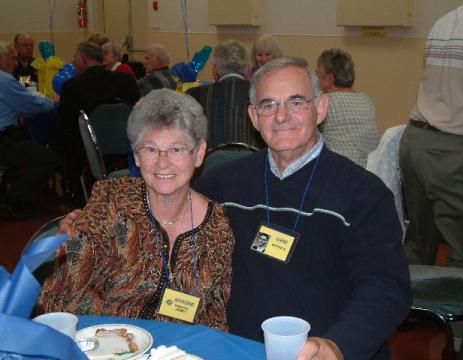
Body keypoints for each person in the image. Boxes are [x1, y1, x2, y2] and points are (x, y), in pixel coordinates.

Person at [59, 57, 412, 359]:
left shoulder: (362, 193)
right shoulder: (226, 182)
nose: (282, 116)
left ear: (321, 109)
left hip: (313, 350)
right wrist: (91, 221)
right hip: (231, 346)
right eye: (269, 105)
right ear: (253, 117)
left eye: (297, 102)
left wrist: (338, 345)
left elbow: (385, 287)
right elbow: (165, 193)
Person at [37, 89, 234, 331]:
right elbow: (60, 294)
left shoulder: (218, 226)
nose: (163, 162)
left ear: (199, 153)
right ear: (136, 156)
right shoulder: (111, 202)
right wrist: (122, 338)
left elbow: (215, 317)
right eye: (150, 149)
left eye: (176, 149)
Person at [399, 1, 463, 269]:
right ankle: (461, 312)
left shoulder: (445, 20)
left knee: (419, 245)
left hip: (415, 140)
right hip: (454, 151)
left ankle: (409, 310)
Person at [54, 41, 140, 201]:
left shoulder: (72, 86)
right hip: (126, 143)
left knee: (65, 141)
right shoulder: (125, 80)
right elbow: (138, 112)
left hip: (89, 148)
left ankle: (75, 189)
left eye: (75, 59)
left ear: (82, 59)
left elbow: (66, 128)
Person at [0, 41, 58, 220]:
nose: (15, 63)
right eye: (12, 58)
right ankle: (13, 197)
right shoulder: (5, 80)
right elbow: (32, 105)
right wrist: (54, 101)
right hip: (3, 141)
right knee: (51, 159)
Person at [186, 40, 263, 148]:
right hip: (253, 161)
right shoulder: (261, 94)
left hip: (210, 162)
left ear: (216, 69)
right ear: (247, 68)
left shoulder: (195, 95)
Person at [315, 49, 380, 167]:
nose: (315, 80)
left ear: (329, 78)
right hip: (370, 170)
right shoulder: (366, 100)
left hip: (339, 170)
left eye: (318, 74)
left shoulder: (325, 102)